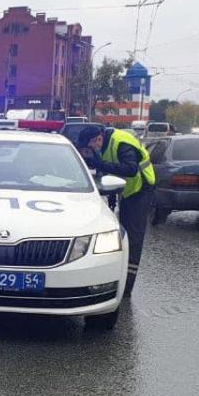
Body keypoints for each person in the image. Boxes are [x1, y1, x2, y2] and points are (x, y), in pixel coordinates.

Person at [75, 125, 156, 297]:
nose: (90, 150)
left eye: (89, 146)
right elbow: (109, 171)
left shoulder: (121, 142)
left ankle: (127, 286)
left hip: (141, 188)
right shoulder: (104, 144)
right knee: (123, 232)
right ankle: (120, 276)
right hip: (127, 189)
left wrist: (99, 163)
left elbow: (131, 169)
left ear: (98, 138)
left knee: (133, 236)